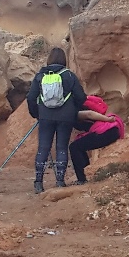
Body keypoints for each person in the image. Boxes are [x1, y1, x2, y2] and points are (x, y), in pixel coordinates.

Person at [25, 49, 99, 193]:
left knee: (43, 148)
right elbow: (81, 97)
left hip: (45, 116)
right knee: (61, 147)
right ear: (64, 60)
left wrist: (37, 113)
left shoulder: (40, 75)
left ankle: (38, 183)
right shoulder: (69, 76)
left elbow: (30, 97)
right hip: (65, 117)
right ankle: (60, 181)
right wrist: (73, 110)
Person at [68, 93, 125, 184]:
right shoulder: (80, 103)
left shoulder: (73, 110)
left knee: (74, 147)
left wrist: (107, 119)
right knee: (78, 145)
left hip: (106, 131)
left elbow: (89, 114)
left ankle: (82, 179)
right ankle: (86, 174)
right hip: (111, 129)